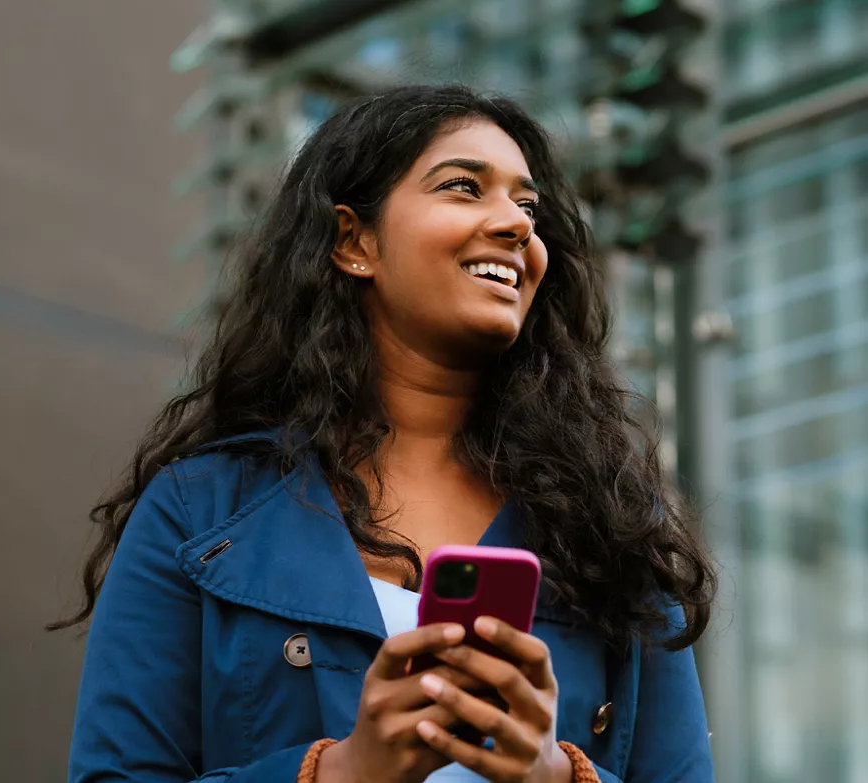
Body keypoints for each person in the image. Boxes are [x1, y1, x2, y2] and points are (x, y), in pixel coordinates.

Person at [54, 84, 717, 783]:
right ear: (353, 241)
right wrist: (339, 772)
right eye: (464, 187)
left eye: (529, 207)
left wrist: (555, 774)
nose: (517, 225)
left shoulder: (608, 525)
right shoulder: (199, 513)